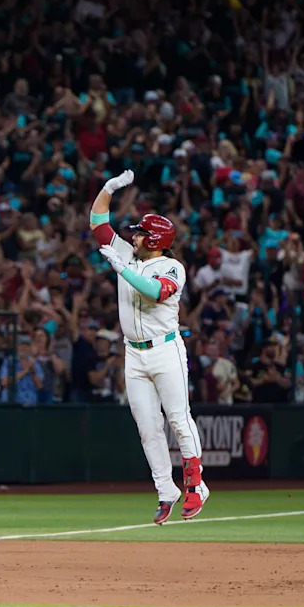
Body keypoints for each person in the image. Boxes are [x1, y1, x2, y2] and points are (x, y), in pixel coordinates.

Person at [91, 169, 208, 525]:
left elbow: (156, 291)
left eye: (141, 233)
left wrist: (122, 269)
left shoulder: (173, 266)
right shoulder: (128, 255)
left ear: (155, 240)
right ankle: (165, 489)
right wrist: (109, 188)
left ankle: (195, 484)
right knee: (146, 423)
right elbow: (98, 223)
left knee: (177, 417)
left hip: (165, 348)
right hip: (134, 351)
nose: (135, 236)